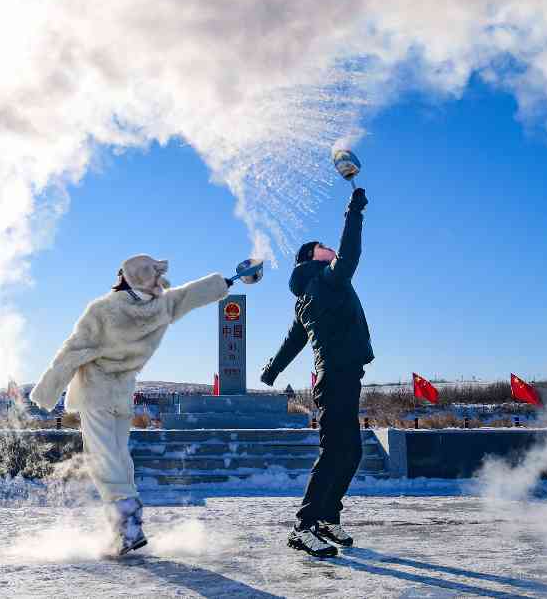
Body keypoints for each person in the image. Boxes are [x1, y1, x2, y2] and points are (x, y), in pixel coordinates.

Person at [31, 255, 231, 555]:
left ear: (125, 276)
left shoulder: (103, 309)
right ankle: (131, 523)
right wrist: (226, 283)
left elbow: (73, 351)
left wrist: (46, 391)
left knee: (102, 457)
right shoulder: (162, 306)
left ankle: (126, 526)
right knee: (119, 456)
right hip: (123, 394)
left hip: (96, 391)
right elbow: (192, 294)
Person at [260, 187, 372, 558]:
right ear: (311, 258)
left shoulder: (308, 294)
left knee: (350, 452)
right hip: (337, 376)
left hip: (341, 376)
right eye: (321, 246)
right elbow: (351, 255)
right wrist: (353, 212)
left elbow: (292, 342)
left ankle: (326, 517)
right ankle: (303, 526)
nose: (329, 248)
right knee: (335, 452)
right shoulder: (327, 279)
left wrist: (271, 371)